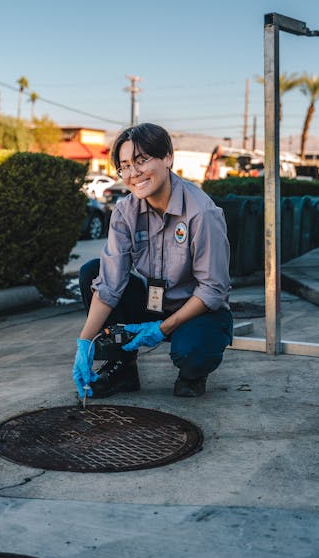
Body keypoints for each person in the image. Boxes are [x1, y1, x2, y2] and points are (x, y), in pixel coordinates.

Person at [72, 123, 232, 401]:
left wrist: (161, 329)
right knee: (92, 272)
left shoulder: (201, 213)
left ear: (168, 157)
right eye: (124, 166)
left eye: (142, 160)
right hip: (153, 304)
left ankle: (192, 375)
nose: (133, 174)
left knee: (192, 352)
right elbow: (110, 283)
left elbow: (212, 290)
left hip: (196, 310)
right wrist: (84, 342)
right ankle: (122, 369)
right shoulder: (125, 211)